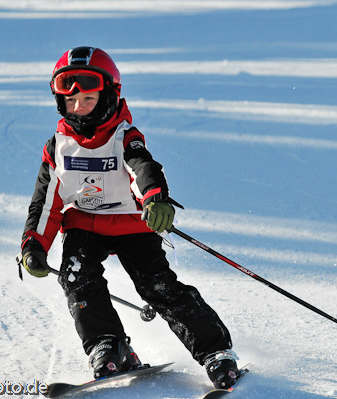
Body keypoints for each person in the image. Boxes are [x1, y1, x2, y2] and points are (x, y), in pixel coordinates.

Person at [17, 46, 240, 389]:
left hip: (132, 224)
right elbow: (45, 205)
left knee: (157, 286)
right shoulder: (58, 147)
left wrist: (155, 200)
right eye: (70, 101)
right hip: (84, 224)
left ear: (108, 95)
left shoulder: (124, 138)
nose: (78, 108)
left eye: (88, 99)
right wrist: (34, 245)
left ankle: (216, 353)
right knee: (78, 279)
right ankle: (109, 345)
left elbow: (143, 169)